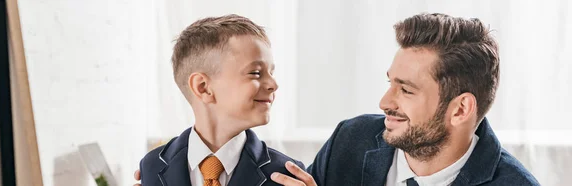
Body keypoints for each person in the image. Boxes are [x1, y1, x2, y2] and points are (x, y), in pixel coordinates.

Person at [270, 13, 539, 186]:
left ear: (460, 109)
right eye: (390, 83)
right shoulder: (350, 141)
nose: (385, 102)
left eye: (407, 90)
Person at [138, 14, 304, 186]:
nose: (273, 84)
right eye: (255, 73)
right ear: (203, 87)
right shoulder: (152, 166)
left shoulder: (288, 175)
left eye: (271, 73)